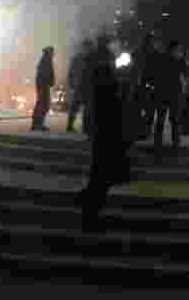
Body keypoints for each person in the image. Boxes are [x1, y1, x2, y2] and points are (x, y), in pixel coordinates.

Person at [75, 36, 128, 232]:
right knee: (101, 175)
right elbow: (110, 102)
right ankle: (89, 215)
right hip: (105, 130)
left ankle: (88, 207)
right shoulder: (104, 70)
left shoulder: (99, 67)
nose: (118, 48)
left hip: (101, 129)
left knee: (99, 173)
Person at [153, 41, 187, 162]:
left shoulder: (180, 60)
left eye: (180, 50)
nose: (179, 52)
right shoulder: (163, 60)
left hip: (174, 95)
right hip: (164, 94)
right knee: (162, 120)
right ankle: (159, 146)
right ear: (171, 49)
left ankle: (175, 145)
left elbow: (185, 76)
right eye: (177, 49)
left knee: (175, 120)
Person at [65, 39, 93, 133]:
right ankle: (84, 127)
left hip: (81, 86)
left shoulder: (77, 58)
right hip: (84, 86)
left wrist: (72, 83)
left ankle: (71, 125)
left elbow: (71, 72)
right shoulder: (88, 58)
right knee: (84, 108)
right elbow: (71, 72)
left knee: (77, 107)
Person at [31, 46, 55, 131]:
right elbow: (45, 74)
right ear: (49, 52)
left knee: (42, 105)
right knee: (43, 105)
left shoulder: (45, 60)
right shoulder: (46, 60)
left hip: (43, 86)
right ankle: (37, 124)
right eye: (52, 52)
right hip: (43, 86)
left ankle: (37, 124)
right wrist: (50, 82)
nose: (53, 54)